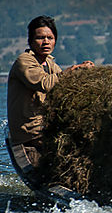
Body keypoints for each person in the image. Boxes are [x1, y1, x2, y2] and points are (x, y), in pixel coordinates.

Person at [7, 15, 93, 167]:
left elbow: (65, 87)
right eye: (40, 38)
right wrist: (74, 70)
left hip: (46, 130)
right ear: (31, 41)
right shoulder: (25, 61)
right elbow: (45, 83)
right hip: (30, 135)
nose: (46, 42)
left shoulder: (51, 64)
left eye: (50, 37)